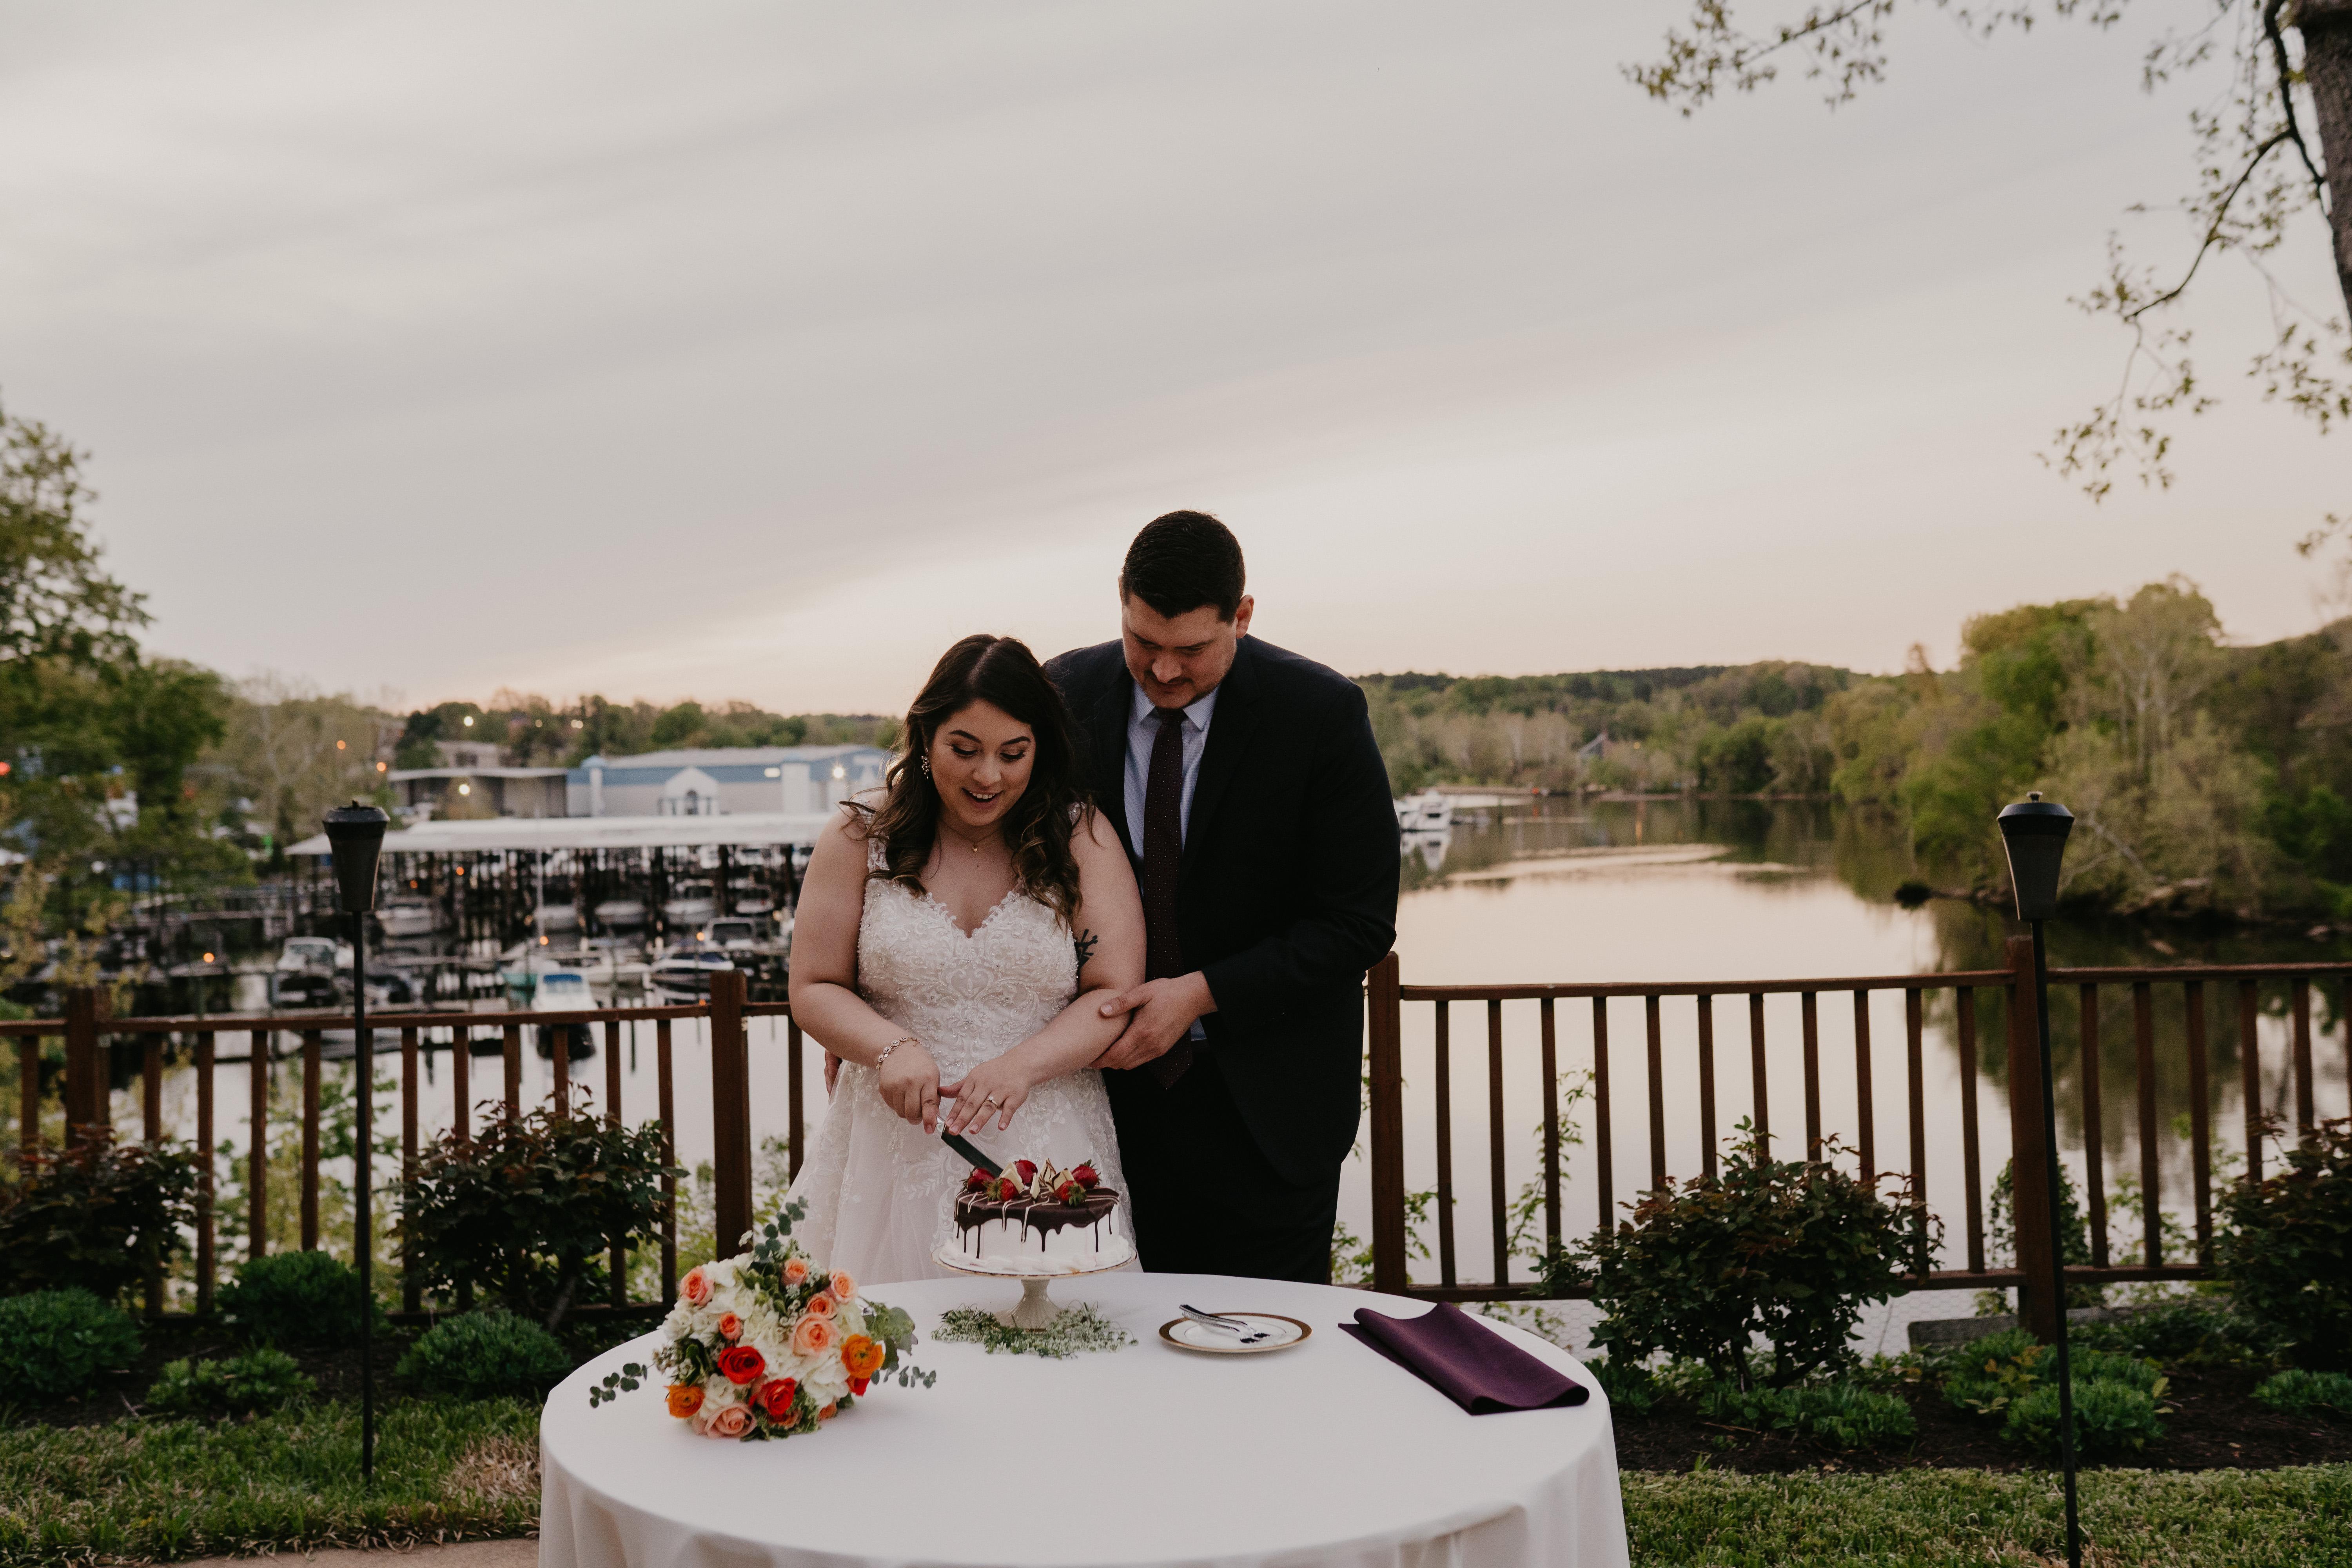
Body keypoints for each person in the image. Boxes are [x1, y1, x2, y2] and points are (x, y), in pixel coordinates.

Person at [1047, 511, 1399, 1283]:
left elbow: (1359, 922)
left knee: (1270, 1340)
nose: (1164, 670)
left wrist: (1199, 994)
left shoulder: (1321, 712)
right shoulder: (1062, 694)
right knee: (1099, 1340)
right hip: (1094, 1103)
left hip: (1267, 1110)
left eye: (1192, 650)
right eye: (1143, 641)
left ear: (1242, 615)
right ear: (1120, 600)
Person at [783, 634, 1146, 1285]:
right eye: (965, 749)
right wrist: (890, 1048)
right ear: (926, 738)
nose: (988, 777)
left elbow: (1113, 992)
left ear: (1040, 748)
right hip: (890, 1143)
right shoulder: (860, 835)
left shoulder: (1080, 835)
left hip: (1046, 1142)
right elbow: (813, 986)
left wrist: (1024, 1065)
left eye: (1013, 753)